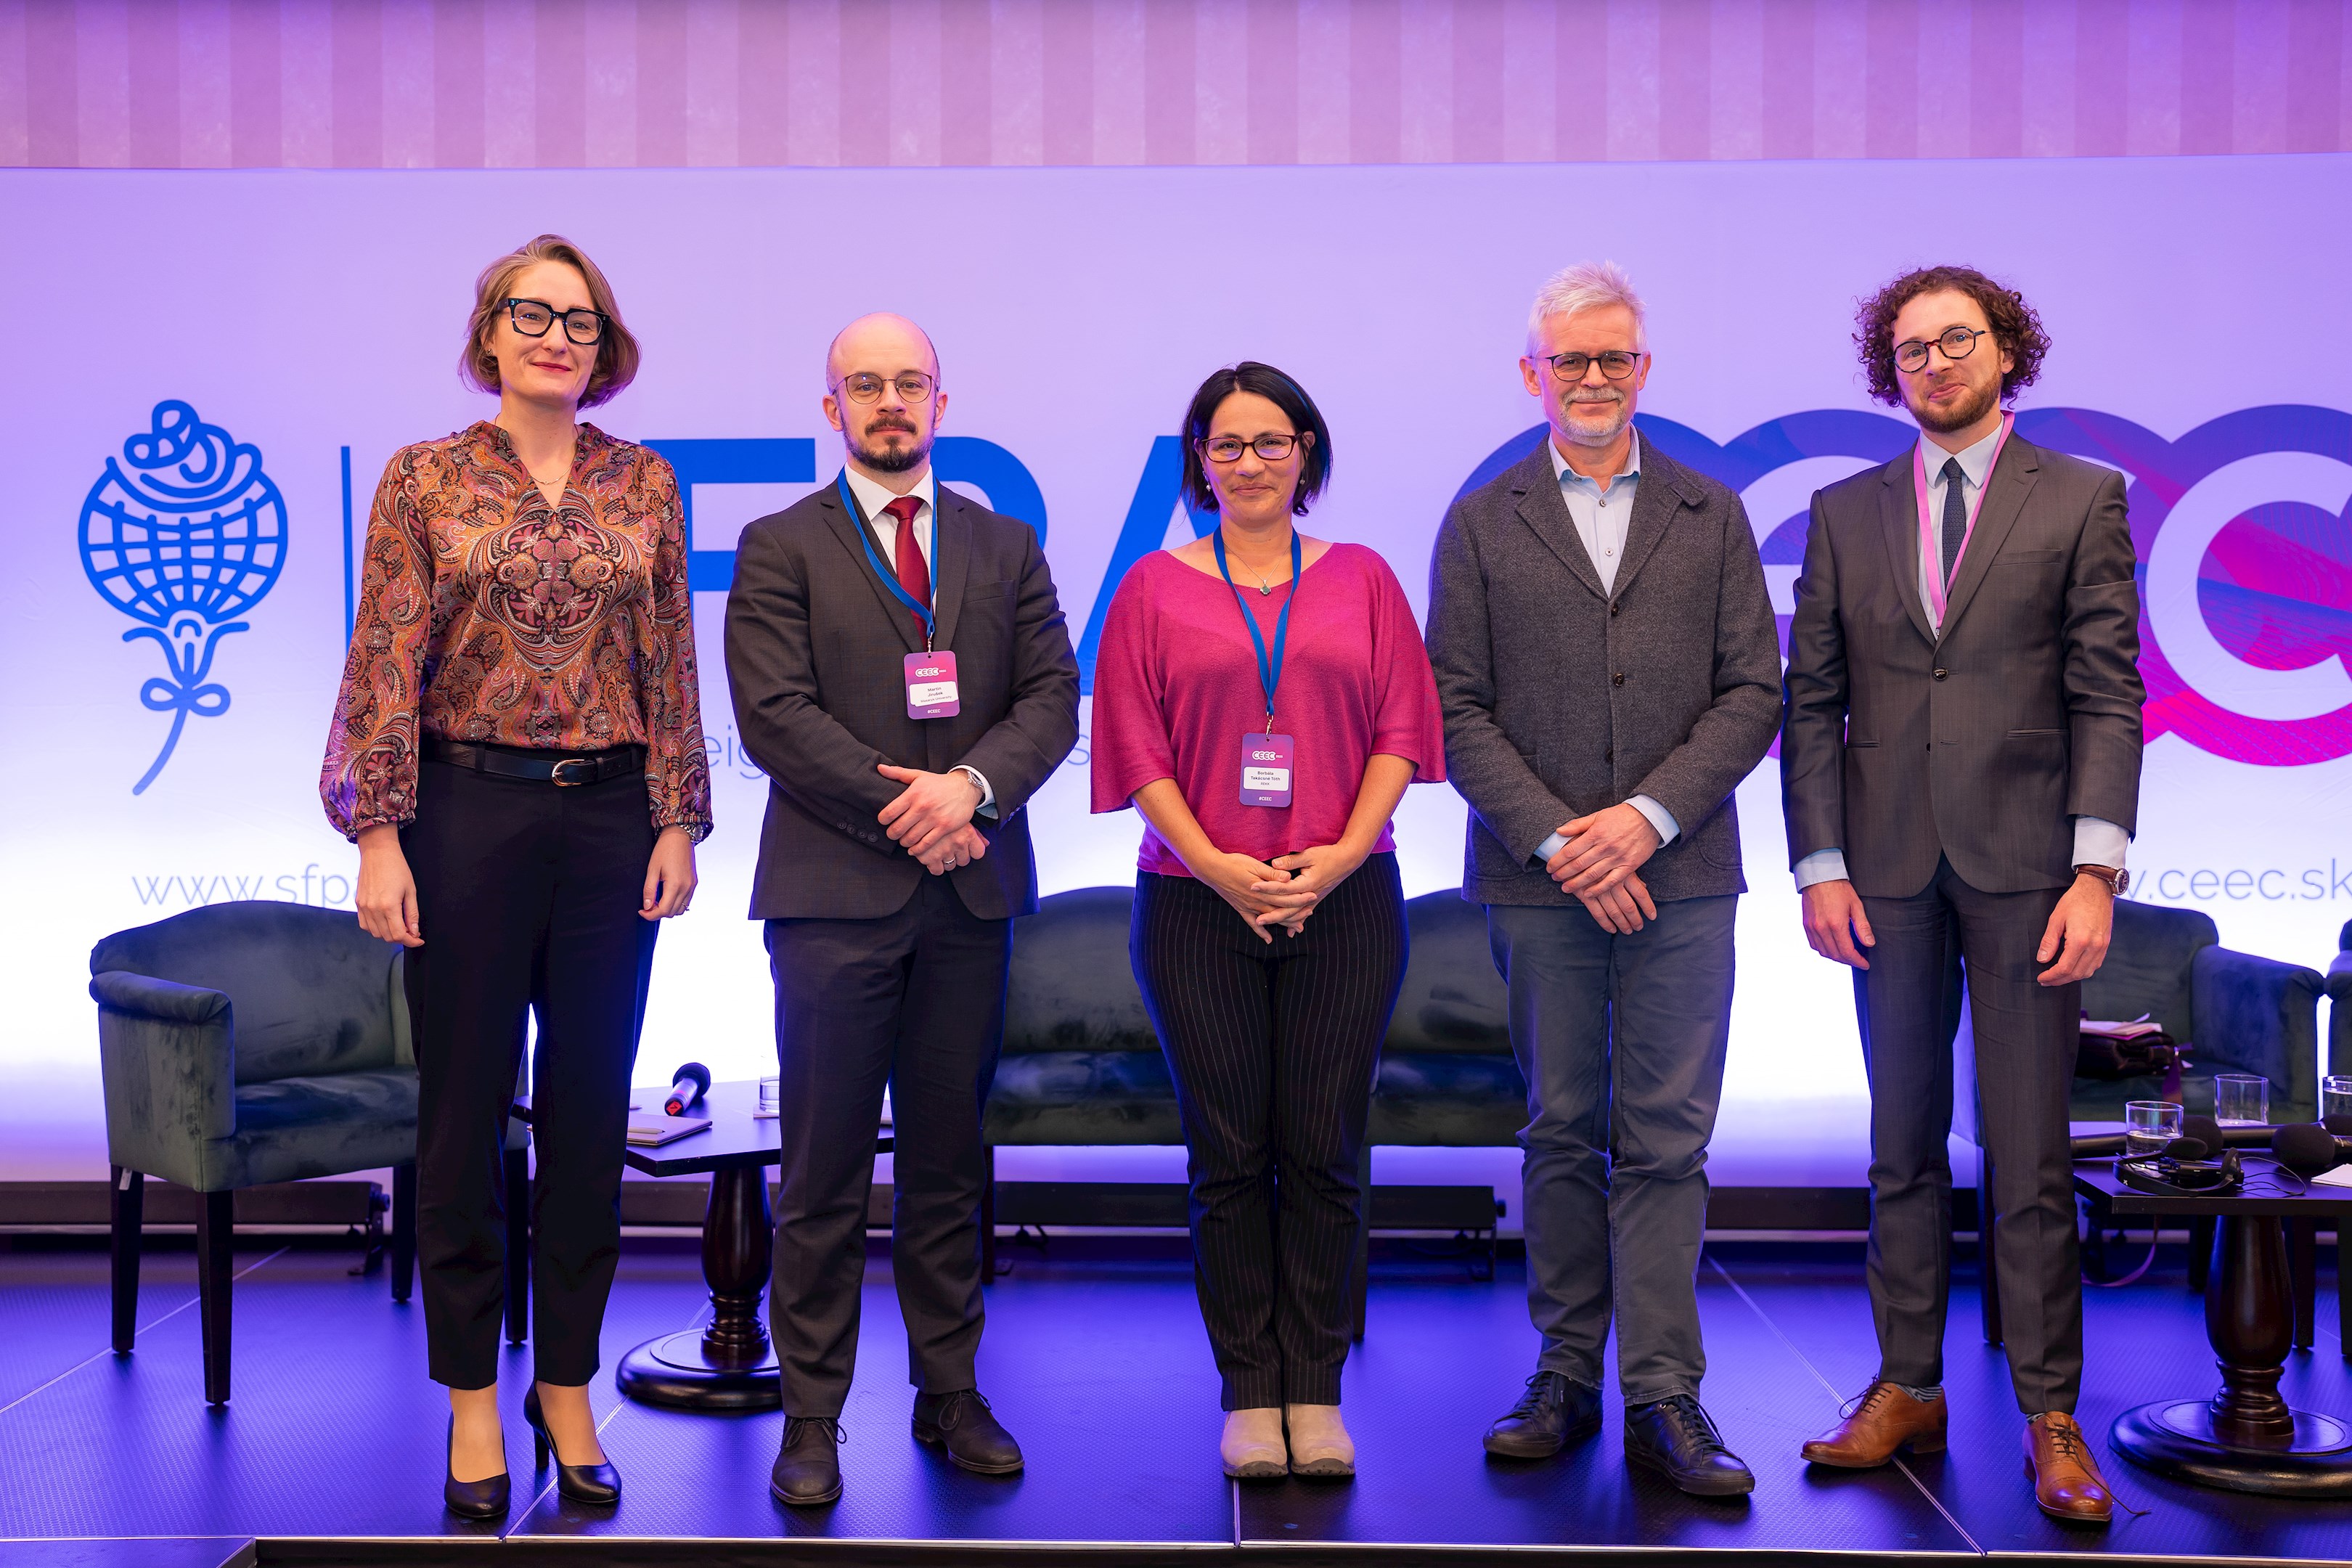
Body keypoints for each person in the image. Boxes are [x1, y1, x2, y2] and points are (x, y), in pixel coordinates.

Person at [322, 234, 710, 1517]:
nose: (556, 336)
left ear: (607, 350)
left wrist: (677, 819)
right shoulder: (425, 478)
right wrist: (379, 831)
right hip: (466, 815)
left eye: (581, 322)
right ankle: (472, 1403)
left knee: (593, 1117)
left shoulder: (645, 481)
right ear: (488, 331)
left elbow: (671, 659)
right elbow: (384, 659)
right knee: (463, 1120)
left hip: (610, 826)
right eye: (531, 314)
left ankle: (567, 1393)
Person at [1781, 265, 2141, 1524]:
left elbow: (2108, 691)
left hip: (2033, 871)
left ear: (2008, 353)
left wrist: (2097, 870)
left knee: (2032, 1154)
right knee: (1900, 1149)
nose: (1936, 361)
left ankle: (2052, 1415)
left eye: (1959, 340)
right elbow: (1809, 703)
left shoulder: (2085, 499)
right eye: (1912, 346)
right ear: (1891, 371)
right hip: (1885, 875)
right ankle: (1907, 1387)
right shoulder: (1844, 510)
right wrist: (1819, 865)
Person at [1426, 263, 1780, 1497]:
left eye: (1612, 358)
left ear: (1645, 370)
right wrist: (1567, 842)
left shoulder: (1711, 513)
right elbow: (1455, 710)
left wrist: (1644, 820)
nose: (1591, 378)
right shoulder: (1480, 519)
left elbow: (1756, 693)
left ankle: (1664, 1394)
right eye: (1567, 359)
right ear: (1532, 373)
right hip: (1540, 884)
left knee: (1669, 1142)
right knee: (1562, 1132)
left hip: (1685, 878)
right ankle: (1566, 1372)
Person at [724, 313, 1080, 1508]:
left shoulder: (1006, 544)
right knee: (821, 1172)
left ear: (943, 400)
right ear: (831, 408)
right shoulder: (778, 545)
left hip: (970, 896)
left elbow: (1049, 698)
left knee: (948, 1165)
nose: (889, 402)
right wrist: (915, 807)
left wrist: (969, 791)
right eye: (864, 385)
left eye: (909, 384)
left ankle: (950, 1390)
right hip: (833, 902)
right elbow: (777, 717)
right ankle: (813, 1415)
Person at [1090, 362, 1446, 1481]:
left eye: (1271, 442)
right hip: (1195, 900)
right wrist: (1219, 865)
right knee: (1229, 1152)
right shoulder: (1152, 587)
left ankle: (1316, 1385)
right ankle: (1251, 1387)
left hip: (1347, 898)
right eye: (1226, 444)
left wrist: (1338, 857)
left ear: (1307, 453)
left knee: (1327, 1146)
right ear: (1199, 460)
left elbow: (1401, 731)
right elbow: (1136, 748)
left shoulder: (1365, 580)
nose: (1250, 463)